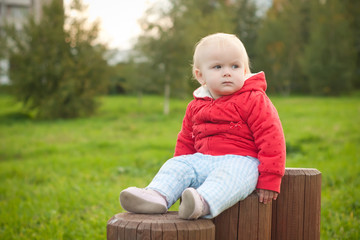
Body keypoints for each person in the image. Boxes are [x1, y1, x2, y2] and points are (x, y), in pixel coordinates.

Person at [120, 33, 286, 220]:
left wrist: (270, 178)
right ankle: (157, 195)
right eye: (217, 67)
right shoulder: (196, 105)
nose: (227, 72)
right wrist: (181, 168)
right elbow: (185, 140)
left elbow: (271, 137)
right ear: (200, 75)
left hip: (242, 160)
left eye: (235, 66)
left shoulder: (254, 99)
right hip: (202, 160)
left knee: (229, 176)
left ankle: (202, 202)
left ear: (245, 70)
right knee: (177, 164)